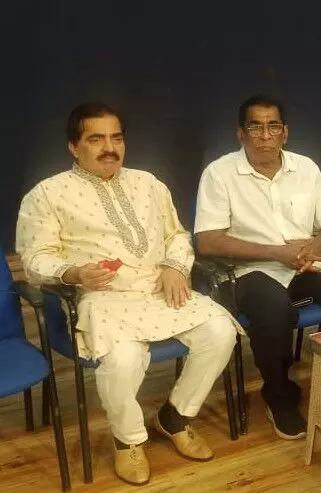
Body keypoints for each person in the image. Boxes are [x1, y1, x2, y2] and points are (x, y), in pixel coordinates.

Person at [16, 103, 239, 486]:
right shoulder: (46, 195)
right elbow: (35, 258)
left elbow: (177, 235)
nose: (109, 148)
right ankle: (129, 440)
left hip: (158, 287)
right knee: (123, 359)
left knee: (221, 332)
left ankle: (174, 417)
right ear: (73, 146)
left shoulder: (148, 183)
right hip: (101, 297)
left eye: (116, 138)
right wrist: (72, 272)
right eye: (96, 139)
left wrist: (174, 266)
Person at [194, 95, 321, 441]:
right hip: (250, 272)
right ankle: (280, 397)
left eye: (273, 126)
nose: (265, 135)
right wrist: (276, 252)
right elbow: (208, 241)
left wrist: (314, 247)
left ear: (285, 132)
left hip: (306, 264)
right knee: (273, 309)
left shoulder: (305, 168)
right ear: (241, 134)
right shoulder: (219, 174)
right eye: (255, 127)